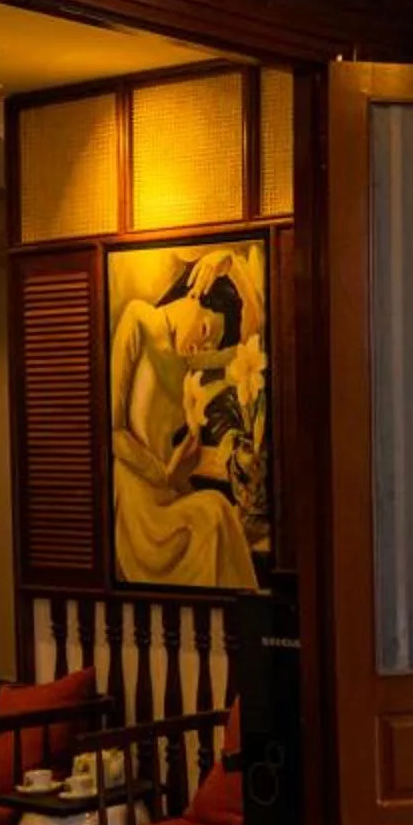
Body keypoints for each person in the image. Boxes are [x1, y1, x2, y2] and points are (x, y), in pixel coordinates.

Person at [110, 249, 263, 589]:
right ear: (194, 294)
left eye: (209, 343)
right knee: (213, 514)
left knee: (218, 512)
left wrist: (232, 263)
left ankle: (241, 628)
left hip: (166, 497)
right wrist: (163, 474)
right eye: (206, 329)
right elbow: (113, 431)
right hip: (137, 502)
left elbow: (254, 339)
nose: (201, 346)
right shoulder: (140, 320)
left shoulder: (189, 364)